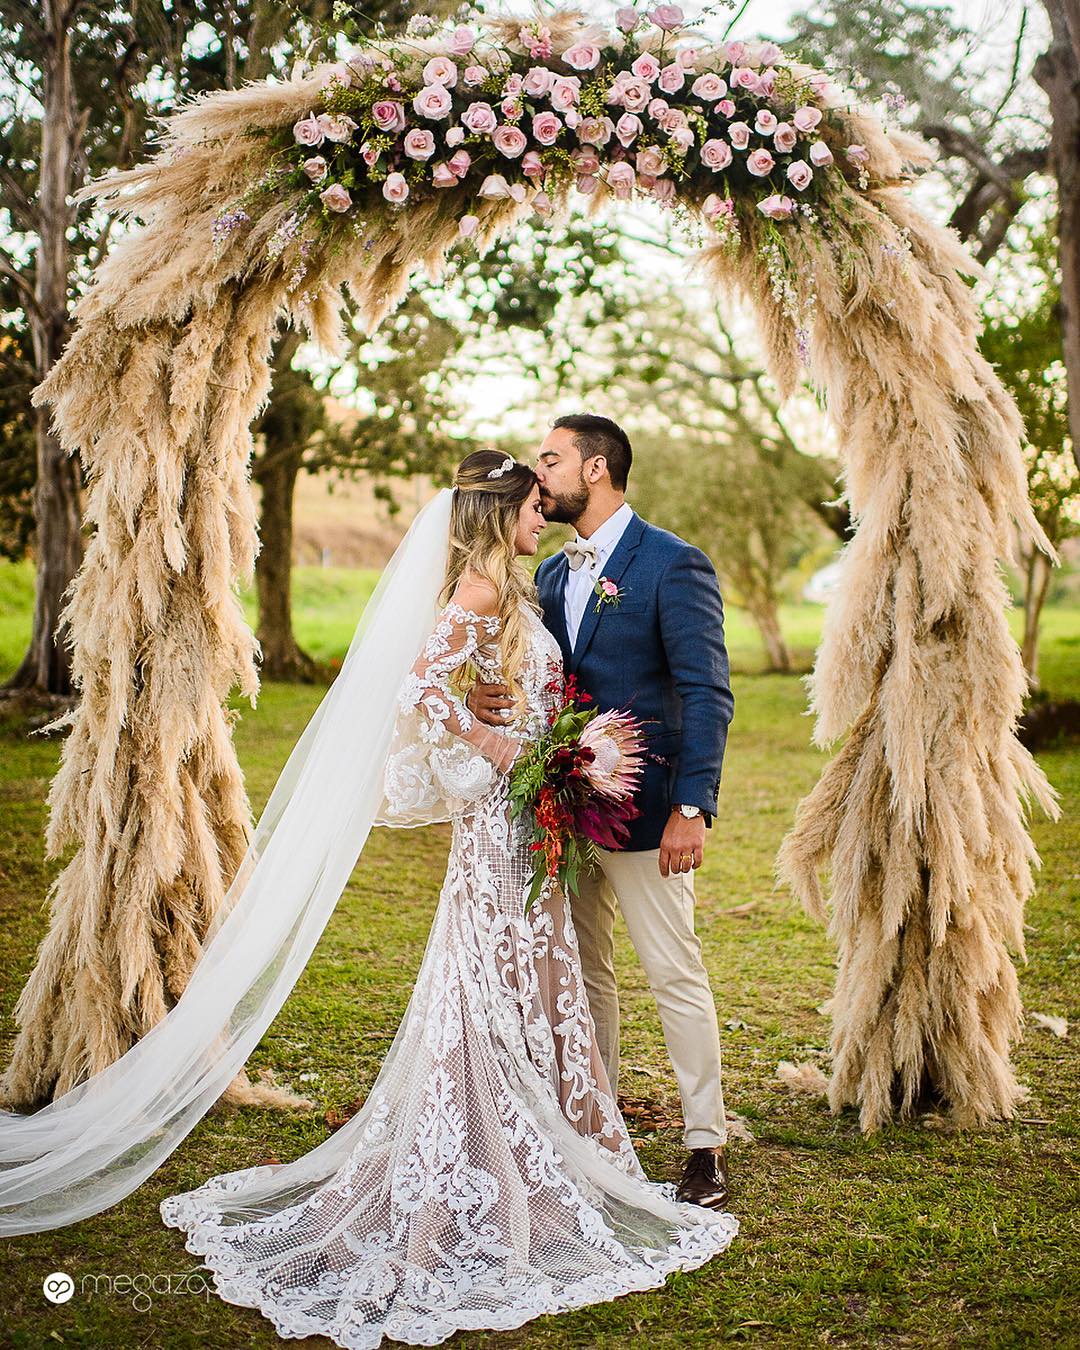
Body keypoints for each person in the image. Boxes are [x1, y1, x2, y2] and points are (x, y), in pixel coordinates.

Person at [154, 450, 737, 1346]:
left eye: (549, 492)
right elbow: (421, 685)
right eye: (530, 503)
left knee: (543, 977)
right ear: (498, 512)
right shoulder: (487, 585)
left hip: (558, 815)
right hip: (509, 821)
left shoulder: (545, 578)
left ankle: (613, 1141)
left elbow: (669, 686)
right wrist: (490, 738)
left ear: (596, 464)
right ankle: (505, 1151)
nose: (540, 514)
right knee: (496, 979)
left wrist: (538, 729)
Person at [468, 417, 735, 1211]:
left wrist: (692, 806)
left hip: (653, 814)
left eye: (549, 460)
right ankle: (598, 1120)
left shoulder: (672, 563)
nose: (537, 473)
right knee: (583, 976)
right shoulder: (548, 575)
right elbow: (538, 677)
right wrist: (484, 695)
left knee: (673, 971)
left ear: (595, 467)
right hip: (568, 815)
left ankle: (704, 1145)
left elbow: (706, 691)